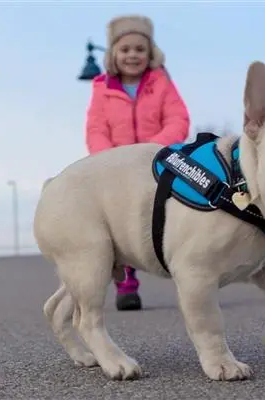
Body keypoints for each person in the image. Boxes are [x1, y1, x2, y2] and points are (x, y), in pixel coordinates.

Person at [84, 14, 190, 311]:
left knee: (172, 220)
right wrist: (108, 158)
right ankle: (127, 284)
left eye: (139, 49)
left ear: (150, 53)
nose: (133, 55)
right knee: (121, 225)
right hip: (117, 168)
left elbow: (178, 117)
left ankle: (190, 280)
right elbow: (96, 127)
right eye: (125, 49)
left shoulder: (161, 82)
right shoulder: (102, 88)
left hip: (158, 163)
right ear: (113, 54)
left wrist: (154, 148)